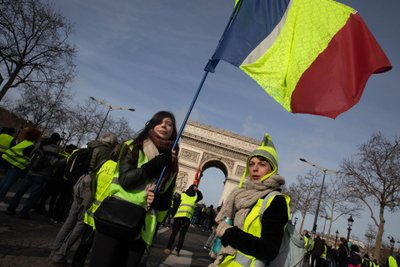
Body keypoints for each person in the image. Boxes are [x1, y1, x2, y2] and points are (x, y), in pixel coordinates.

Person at [89, 111, 179, 267]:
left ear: (173, 131)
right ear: (152, 125)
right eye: (160, 122)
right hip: (117, 217)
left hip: (142, 229)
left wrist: (159, 200)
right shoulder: (133, 146)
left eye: (169, 124)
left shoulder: (172, 164)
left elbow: (167, 200)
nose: (165, 126)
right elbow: (125, 181)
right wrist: (158, 162)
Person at [209, 133, 289, 267]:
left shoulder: (276, 201)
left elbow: (268, 250)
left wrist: (229, 232)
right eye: (251, 164)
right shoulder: (240, 195)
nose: (255, 169)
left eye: (262, 164)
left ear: (272, 169)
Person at [49, 133, 118, 265]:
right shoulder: (106, 152)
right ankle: (60, 255)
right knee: (80, 224)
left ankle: (54, 251)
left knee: (69, 221)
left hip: (79, 184)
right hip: (88, 188)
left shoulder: (91, 146)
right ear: (112, 144)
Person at [5, 132, 64, 219]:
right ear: (57, 140)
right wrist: (65, 161)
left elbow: (31, 154)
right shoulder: (54, 148)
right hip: (42, 174)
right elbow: (54, 163)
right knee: (33, 196)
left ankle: (11, 208)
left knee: (20, 191)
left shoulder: (40, 143)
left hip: (31, 171)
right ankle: (23, 213)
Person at [0, 127, 42, 206]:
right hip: (18, 166)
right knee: (8, 183)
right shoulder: (31, 146)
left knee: (4, 181)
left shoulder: (24, 142)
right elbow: (29, 157)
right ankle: (0, 198)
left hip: (11, 163)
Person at [164, 184, 203, 256]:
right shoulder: (195, 197)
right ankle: (177, 251)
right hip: (187, 218)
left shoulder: (182, 195)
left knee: (174, 233)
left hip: (178, 216)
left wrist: (173, 214)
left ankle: (168, 248)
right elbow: (201, 196)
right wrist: (197, 191)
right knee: (182, 235)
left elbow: (176, 205)